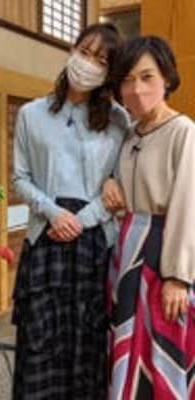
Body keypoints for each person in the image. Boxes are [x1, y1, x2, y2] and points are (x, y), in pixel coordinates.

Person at [11, 23, 128, 400]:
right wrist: (53, 212)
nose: (89, 63)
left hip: (93, 245)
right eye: (85, 52)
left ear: (109, 73)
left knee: (87, 345)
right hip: (45, 239)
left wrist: (82, 219)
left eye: (101, 60)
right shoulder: (31, 114)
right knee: (39, 343)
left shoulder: (119, 122)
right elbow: (20, 178)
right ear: (72, 50)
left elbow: (119, 186)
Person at [104, 36, 195, 399]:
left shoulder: (183, 131)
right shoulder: (128, 135)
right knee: (129, 345)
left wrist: (177, 276)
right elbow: (117, 183)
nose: (137, 89)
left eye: (147, 77)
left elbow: (188, 205)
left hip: (163, 250)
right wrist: (109, 182)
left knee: (163, 345)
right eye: (127, 80)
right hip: (127, 250)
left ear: (166, 79)